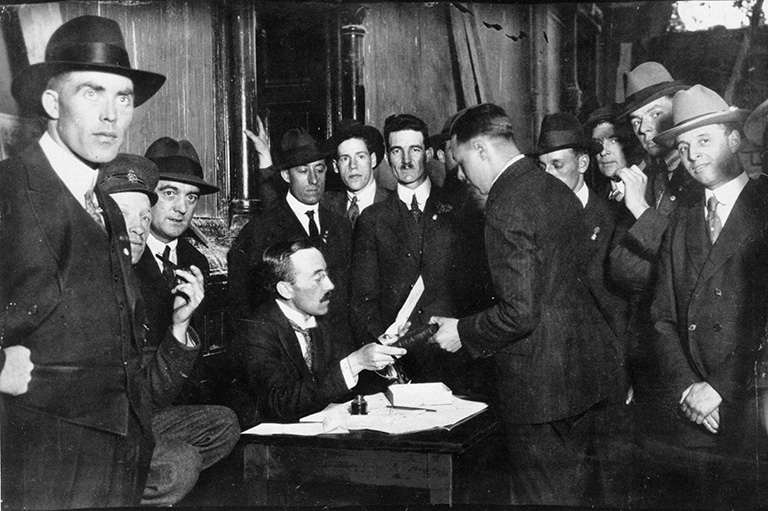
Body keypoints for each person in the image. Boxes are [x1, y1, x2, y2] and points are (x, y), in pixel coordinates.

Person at [0, 15, 203, 509]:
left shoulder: (109, 206)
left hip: (122, 451)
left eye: (124, 97)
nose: (111, 115)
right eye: (92, 92)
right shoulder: (8, 189)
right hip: (40, 454)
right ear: (51, 102)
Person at [430, 104, 621, 506]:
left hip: (538, 393)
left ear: (481, 149)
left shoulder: (505, 204)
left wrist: (461, 331)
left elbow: (520, 311)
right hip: (581, 381)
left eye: (462, 163)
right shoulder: (555, 188)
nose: (462, 176)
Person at [648, 85, 766, 506]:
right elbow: (661, 317)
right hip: (692, 416)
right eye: (683, 145)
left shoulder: (765, 205)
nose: (693, 154)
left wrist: (718, 387)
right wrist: (687, 389)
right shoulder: (680, 220)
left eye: (704, 139)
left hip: (751, 408)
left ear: (734, 140)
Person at [114, 147, 239, 507]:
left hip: (162, 399)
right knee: (180, 461)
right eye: (169, 194)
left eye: (191, 197)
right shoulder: (127, 255)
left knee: (228, 422)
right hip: (130, 403)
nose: (182, 208)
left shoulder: (193, 258)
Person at [351, 113, 489, 393]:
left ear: (427, 153)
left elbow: (477, 291)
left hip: (456, 359)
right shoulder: (372, 219)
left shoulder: (461, 210)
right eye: (397, 151)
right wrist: (386, 346)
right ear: (387, 157)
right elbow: (363, 299)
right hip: (401, 364)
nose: (406, 160)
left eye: (414, 149)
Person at [608, 62, 697, 422]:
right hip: (648, 354)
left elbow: (686, 269)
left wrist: (640, 208)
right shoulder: (654, 177)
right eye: (635, 122)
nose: (645, 129)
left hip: (688, 362)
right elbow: (619, 267)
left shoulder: (696, 180)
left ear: (678, 110)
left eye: (655, 114)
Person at [232, 238, 405, 422]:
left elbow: (340, 381)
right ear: (286, 290)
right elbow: (281, 403)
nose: (330, 285)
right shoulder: (255, 330)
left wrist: (381, 351)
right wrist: (356, 362)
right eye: (318, 278)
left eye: (327, 274)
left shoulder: (323, 321)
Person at [228, 129, 352, 326]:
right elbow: (243, 306)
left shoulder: (341, 226)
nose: (314, 180)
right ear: (286, 175)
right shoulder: (259, 230)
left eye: (319, 170)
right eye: (303, 171)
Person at [323, 119, 392, 226]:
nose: (353, 166)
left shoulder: (395, 203)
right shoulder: (324, 204)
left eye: (360, 156)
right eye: (345, 159)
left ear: (372, 160)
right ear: (335, 166)